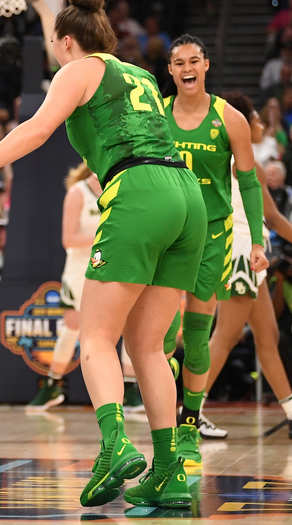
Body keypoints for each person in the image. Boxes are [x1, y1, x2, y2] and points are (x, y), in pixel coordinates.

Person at [0, 0, 207, 508]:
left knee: (96, 338)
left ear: (65, 45)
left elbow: (36, 130)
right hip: (187, 195)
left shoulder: (79, 69)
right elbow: (69, 42)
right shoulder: (137, 74)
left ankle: (114, 443)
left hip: (140, 189)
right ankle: (168, 469)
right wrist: (44, 10)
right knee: (148, 348)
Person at [160, 34, 268, 471]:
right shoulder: (156, 115)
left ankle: (190, 420)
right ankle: (165, 420)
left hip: (211, 232)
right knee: (163, 336)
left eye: (193, 60)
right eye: (178, 62)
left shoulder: (230, 118)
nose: (186, 68)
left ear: (206, 65)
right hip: (168, 231)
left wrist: (258, 242)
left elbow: (248, 181)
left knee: (198, 329)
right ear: (170, 71)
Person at [205, 92, 292, 438]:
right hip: (241, 252)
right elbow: (270, 216)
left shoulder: (222, 159)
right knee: (224, 338)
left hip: (243, 253)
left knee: (267, 337)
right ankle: (186, 414)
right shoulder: (244, 162)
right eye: (254, 117)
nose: (258, 123)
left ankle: (289, 409)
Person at [27, 162, 100, 410]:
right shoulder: (78, 192)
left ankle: (131, 389)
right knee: (72, 327)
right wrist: (106, 236)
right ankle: (52, 384)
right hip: (80, 270)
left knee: (123, 327)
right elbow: (69, 239)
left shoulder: (121, 189)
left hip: (112, 267)